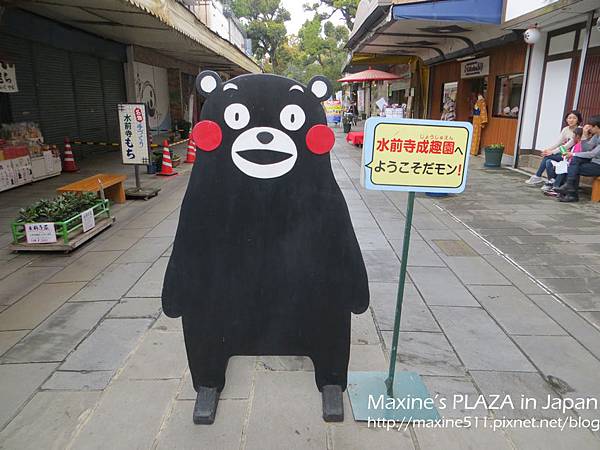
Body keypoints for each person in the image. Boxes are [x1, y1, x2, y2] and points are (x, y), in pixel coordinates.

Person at [526, 110, 582, 185]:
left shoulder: (579, 130)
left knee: (547, 157)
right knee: (548, 160)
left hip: (573, 154)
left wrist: (552, 152)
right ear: (566, 119)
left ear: (578, 119)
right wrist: (548, 150)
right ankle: (551, 180)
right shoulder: (565, 129)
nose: (571, 120)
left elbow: (568, 145)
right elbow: (558, 143)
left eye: (574, 118)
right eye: (569, 118)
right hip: (564, 152)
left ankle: (538, 176)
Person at [555, 116, 600, 202]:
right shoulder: (596, 136)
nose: (589, 128)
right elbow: (587, 148)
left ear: (596, 127)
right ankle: (569, 188)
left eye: (590, 126)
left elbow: (592, 153)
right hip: (594, 162)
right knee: (575, 161)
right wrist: (585, 135)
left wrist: (572, 154)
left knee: (574, 168)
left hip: (598, 165)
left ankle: (571, 193)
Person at [543, 127, 583, 196]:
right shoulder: (576, 144)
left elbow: (575, 156)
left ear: (578, 136)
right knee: (549, 162)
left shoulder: (579, 145)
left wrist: (567, 155)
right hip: (567, 160)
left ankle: (555, 187)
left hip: (570, 163)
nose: (572, 137)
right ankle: (552, 181)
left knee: (562, 168)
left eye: (573, 135)